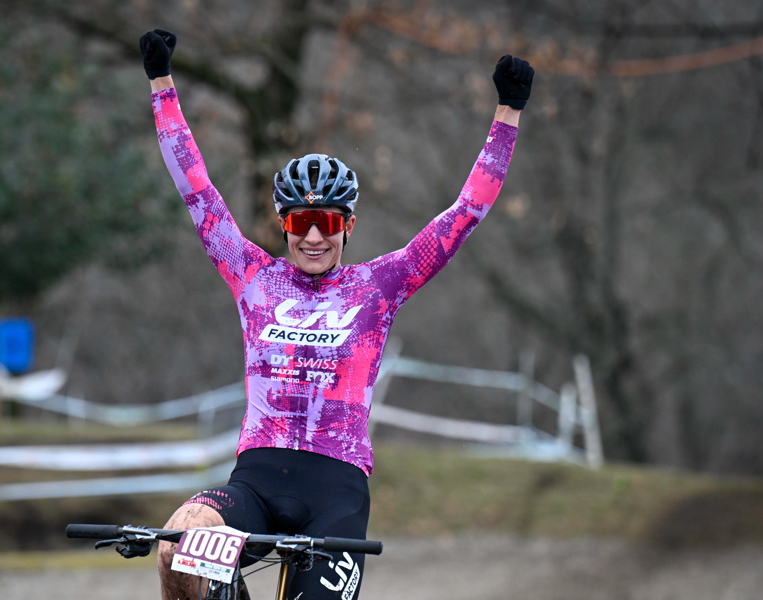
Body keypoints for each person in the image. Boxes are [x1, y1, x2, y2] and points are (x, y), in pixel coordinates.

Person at [139, 28, 533, 600]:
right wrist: (161, 84)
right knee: (178, 547)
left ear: (348, 225)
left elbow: (464, 213)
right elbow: (196, 190)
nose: (316, 235)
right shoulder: (253, 276)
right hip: (255, 481)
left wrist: (507, 114)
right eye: (301, 222)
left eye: (329, 221)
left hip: (336, 493)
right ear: (284, 225)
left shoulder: (380, 285)